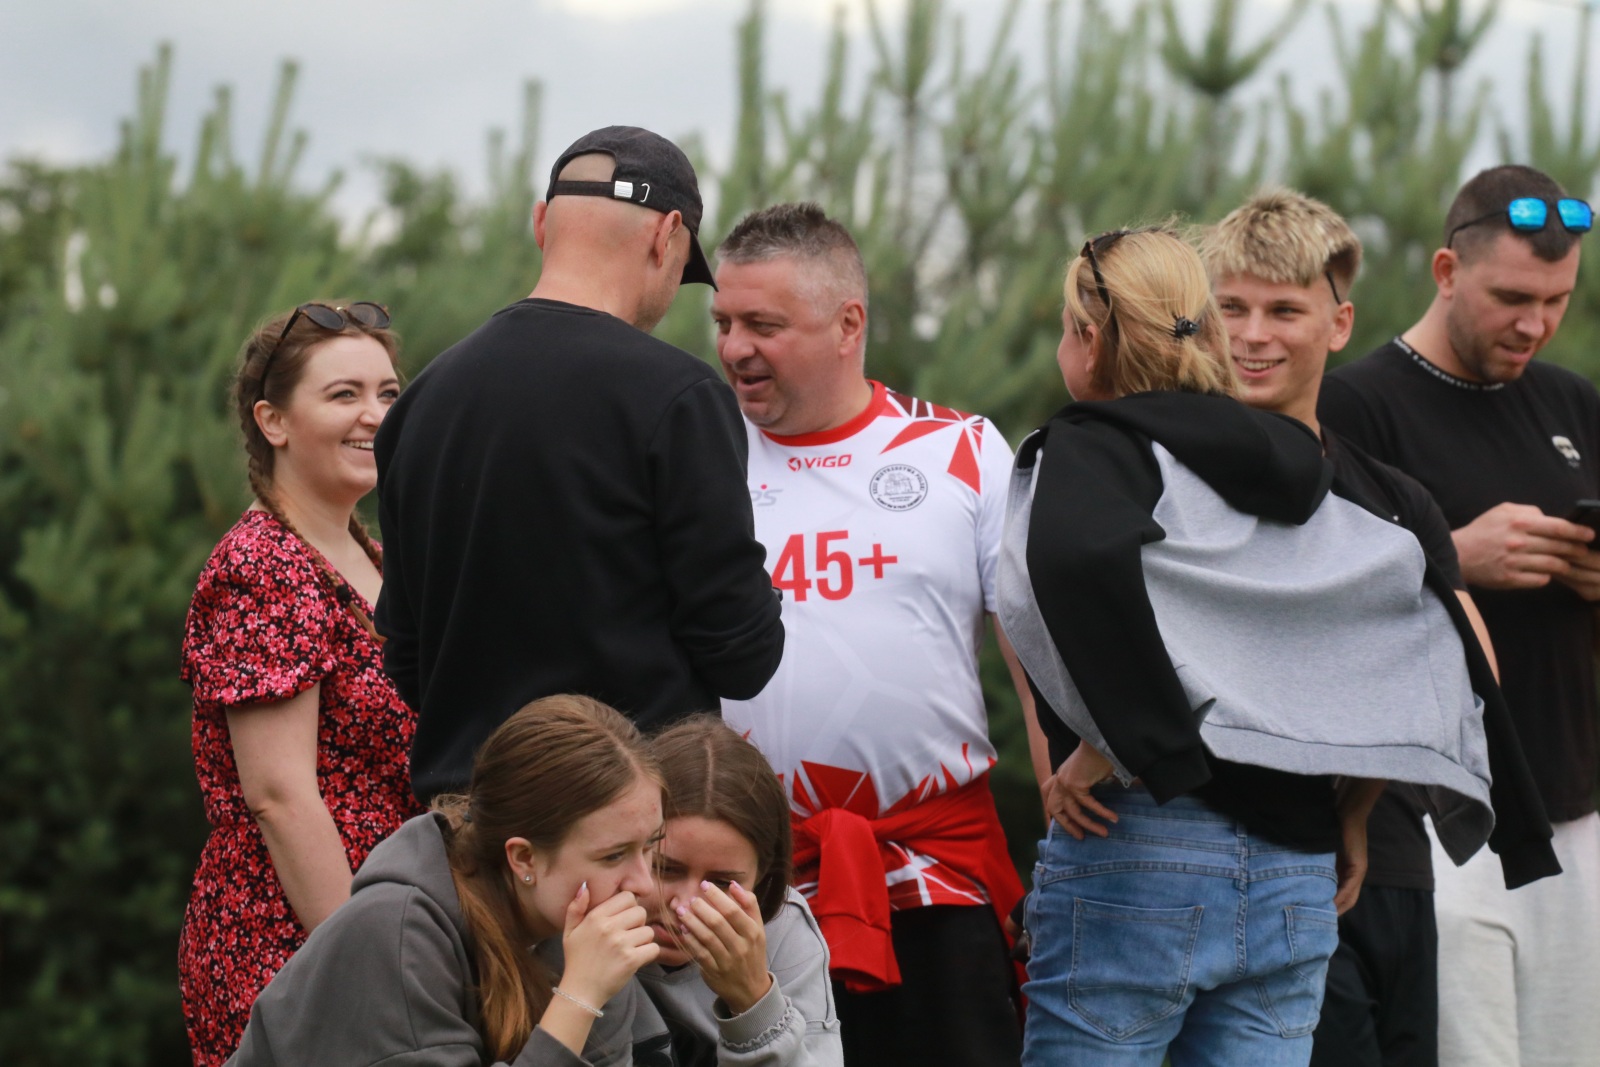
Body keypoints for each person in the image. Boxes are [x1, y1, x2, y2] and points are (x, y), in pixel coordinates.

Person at [996, 228, 1505, 1066]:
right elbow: (1386, 629)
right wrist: (1354, 804)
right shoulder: (1317, 471)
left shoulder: (1101, 443)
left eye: (1065, 327)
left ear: (1091, 338)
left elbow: (1077, 557)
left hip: (1140, 844)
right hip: (1295, 859)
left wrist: (1123, 743)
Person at [1201, 189, 1558, 1067]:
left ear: (1337, 321)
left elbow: (1463, 662)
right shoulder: (1168, 471)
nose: (1254, 334)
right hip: (1216, 853)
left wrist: (1359, 797)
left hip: (1385, 861)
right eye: (1232, 310)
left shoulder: (1393, 501)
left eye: (1284, 310)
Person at [374, 125, 784, 801]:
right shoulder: (679, 398)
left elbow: (412, 663)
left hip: (469, 839)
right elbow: (741, 656)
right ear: (667, 236)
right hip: (625, 840)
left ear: (542, 223)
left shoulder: (421, 403)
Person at [713, 202, 1031, 1067]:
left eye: (763, 324)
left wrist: (1061, 796)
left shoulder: (959, 450)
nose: (736, 346)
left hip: (935, 869)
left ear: (848, 322)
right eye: (724, 322)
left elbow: (1030, 647)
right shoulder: (697, 454)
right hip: (742, 891)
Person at [1319, 164, 1598, 1067]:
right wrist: (1458, 560)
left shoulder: (1571, 402)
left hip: (1578, 810)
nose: (1535, 323)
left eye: (1558, 298)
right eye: (1513, 296)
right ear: (1446, 270)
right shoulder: (1355, 404)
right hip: (1440, 818)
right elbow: (1316, 602)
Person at [178, 301, 425, 1066]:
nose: (375, 415)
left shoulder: (378, 557)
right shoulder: (264, 567)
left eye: (387, 393)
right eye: (343, 394)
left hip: (392, 924)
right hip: (302, 942)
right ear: (273, 421)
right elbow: (281, 797)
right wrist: (365, 963)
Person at [227, 694, 666, 1067]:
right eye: (613, 855)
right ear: (523, 858)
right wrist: (579, 997)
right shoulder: (396, 934)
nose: (645, 885)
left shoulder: (584, 933)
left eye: (650, 846)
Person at [634, 715, 842, 1067]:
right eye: (664, 869)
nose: (684, 906)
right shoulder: (570, 925)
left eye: (719, 884)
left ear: (762, 880)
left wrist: (753, 1002)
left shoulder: (782, 928)